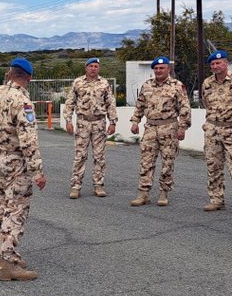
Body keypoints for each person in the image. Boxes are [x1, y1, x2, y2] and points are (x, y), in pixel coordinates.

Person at [0, 57, 47, 281]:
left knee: (1, 208)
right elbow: (28, 140)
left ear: (9, 74)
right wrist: (37, 172)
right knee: (15, 211)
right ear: (29, 78)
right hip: (17, 163)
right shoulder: (23, 102)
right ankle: (9, 262)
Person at [130, 56, 191, 207]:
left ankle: (164, 193)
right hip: (150, 128)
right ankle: (143, 194)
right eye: (156, 68)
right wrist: (135, 121)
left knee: (167, 162)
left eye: (161, 68)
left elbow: (184, 108)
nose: (158, 70)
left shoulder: (177, 86)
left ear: (168, 69)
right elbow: (140, 105)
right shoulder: (147, 85)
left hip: (169, 128)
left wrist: (182, 127)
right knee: (146, 162)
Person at [64, 57, 118, 199]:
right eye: (91, 66)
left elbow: (110, 103)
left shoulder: (104, 83)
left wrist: (113, 122)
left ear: (98, 68)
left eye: (96, 66)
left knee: (99, 156)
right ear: (86, 67)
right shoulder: (78, 82)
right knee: (80, 156)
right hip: (83, 123)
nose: (93, 68)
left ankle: (98, 185)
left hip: (99, 123)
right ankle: (76, 186)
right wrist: (68, 120)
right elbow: (70, 102)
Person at [202, 50, 232, 211]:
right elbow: (206, 102)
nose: (215, 66)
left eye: (218, 63)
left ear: (225, 63)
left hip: (230, 129)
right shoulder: (207, 83)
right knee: (213, 166)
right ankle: (216, 199)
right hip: (213, 130)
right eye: (213, 64)